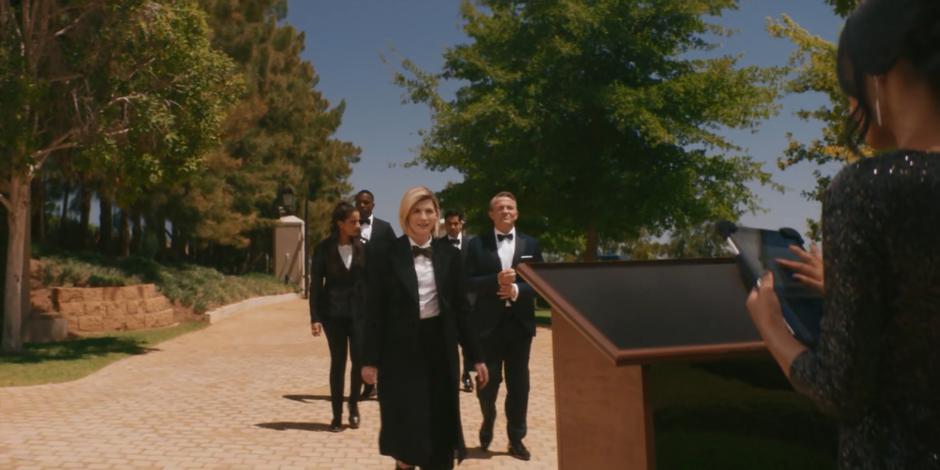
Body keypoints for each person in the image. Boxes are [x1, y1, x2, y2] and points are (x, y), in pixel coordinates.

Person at [746, 1, 940, 467]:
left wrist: (771, 326)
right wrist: (847, 289)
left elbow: (840, 389)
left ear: (879, 71)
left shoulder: (868, 189)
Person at [361, 186, 489, 470]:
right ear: (405, 215)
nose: (423, 217)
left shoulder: (450, 255)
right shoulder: (385, 254)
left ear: (437, 216)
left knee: (441, 428)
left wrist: (476, 356)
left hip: (439, 350)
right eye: (417, 211)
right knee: (406, 432)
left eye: (429, 211)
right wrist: (369, 360)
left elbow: (462, 310)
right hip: (399, 354)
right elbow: (374, 312)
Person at [465, 191, 543, 461]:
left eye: (510, 207)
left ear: (517, 213)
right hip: (487, 327)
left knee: (519, 385)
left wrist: (516, 291)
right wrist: (494, 281)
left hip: (520, 327)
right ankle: (488, 418)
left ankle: (516, 438)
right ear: (491, 214)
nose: (506, 211)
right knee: (488, 383)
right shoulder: (475, 245)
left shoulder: (532, 244)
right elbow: (468, 283)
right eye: (500, 208)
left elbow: (541, 285)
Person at [309, 202, 367, 432]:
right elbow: (315, 285)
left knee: (358, 362)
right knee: (338, 362)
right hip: (333, 314)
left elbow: (371, 283)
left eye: (358, 221)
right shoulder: (323, 248)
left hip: (359, 314)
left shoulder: (364, 248)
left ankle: (353, 406)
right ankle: (336, 415)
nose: (357, 225)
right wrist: (315, 317)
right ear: (340, 224)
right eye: (353, 221)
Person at [354, 189, 396, 400]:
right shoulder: (349, 229)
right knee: (361, 342)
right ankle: (367, 385)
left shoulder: (385, 228)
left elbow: (396, 257)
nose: (362, 206)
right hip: (357, 295)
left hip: (381, 293)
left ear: (373, 204)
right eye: (359, 203)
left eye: (366, 203)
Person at [440, 210, 476, 393]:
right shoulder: (438, 245)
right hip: (447, 302)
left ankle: (467, 375)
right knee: (449, 341)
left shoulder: (473, 245)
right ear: (445, 225)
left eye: (456, 223)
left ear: (462, 224)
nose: (453, 227)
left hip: (470, 299)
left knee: (468, 339)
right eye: (449, 224)